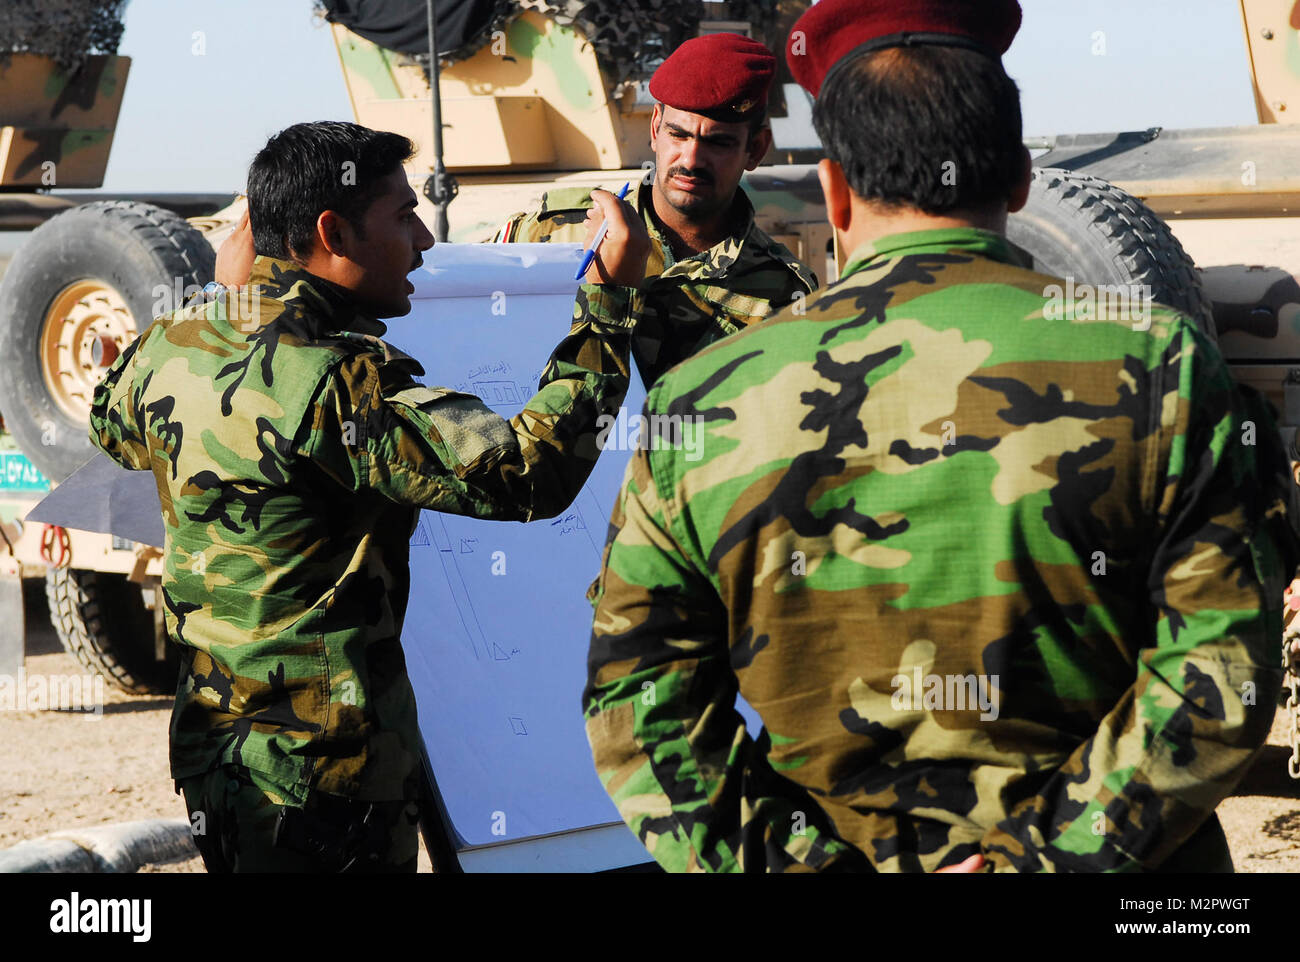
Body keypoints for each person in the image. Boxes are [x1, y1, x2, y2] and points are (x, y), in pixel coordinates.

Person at [582, 0, 1299, 873]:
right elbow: (1223, 671)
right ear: (1023, 180)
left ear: (834, 190)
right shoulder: (1167, 371)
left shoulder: (701, 402)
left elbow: (639, 705)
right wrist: (1042, 859)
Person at [89, 120, 649, 872]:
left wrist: (227, 297)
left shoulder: (174, 345)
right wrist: (606, 307)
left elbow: (109, 418)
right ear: (332, 232)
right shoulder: (339, 380)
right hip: (322, 776)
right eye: (402, 214)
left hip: (217, 755)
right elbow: (526, 472)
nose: (422, 240)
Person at [494, 32, 819, 389]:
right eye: (678, 135)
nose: (692, 160)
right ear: (655, 127)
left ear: (756, 149)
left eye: (718, 142)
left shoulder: (783, 289)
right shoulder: (550, 230)